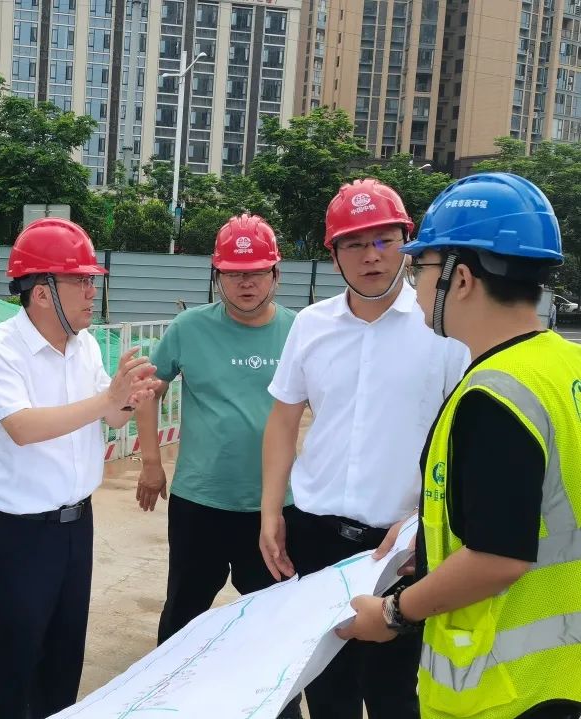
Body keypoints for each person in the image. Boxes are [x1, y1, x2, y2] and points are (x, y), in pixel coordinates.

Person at [339, 173, 581, 719]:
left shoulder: (494, 396)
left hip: (503, 689)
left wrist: (393, 614)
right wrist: (429, 537)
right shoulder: (565, 365)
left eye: (422, 267)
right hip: (563, 673)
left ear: (461, 278)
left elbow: (497, 557)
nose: (416, 284)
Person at [259, 178, 470, 719]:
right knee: (326, 688)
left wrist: (424, 522)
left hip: (399, 547)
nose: (371, 256)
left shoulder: (443, 330)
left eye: (384, 240)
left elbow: (464, 440)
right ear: (333, 255)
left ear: (408, 244)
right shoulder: (311, 325)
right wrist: (270, 511)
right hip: (315, 535)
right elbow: (283, 420)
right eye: (354, 244)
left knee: (395, 694)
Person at [0, 217, 159, 719]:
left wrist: (128, 399)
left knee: (63, 660)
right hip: (20, 534)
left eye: (92, 281)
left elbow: (108, 416)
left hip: (77, 527)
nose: (92, 292)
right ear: (41, 293)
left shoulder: (85, 345)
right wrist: (107, 400)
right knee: (11, 666)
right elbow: (22, 427)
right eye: (81, 281)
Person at [135, 214, 302, 717]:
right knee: (183, 614)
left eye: (256, 272)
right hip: (200, 502)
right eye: (233, 273)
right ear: (217, 275)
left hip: (274, 508)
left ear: (276, 274)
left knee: (277, 622)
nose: (246, 283)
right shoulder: (189, 329)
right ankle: (163, 701)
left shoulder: (300, 331)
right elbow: (148, 390)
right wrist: (150, 462)